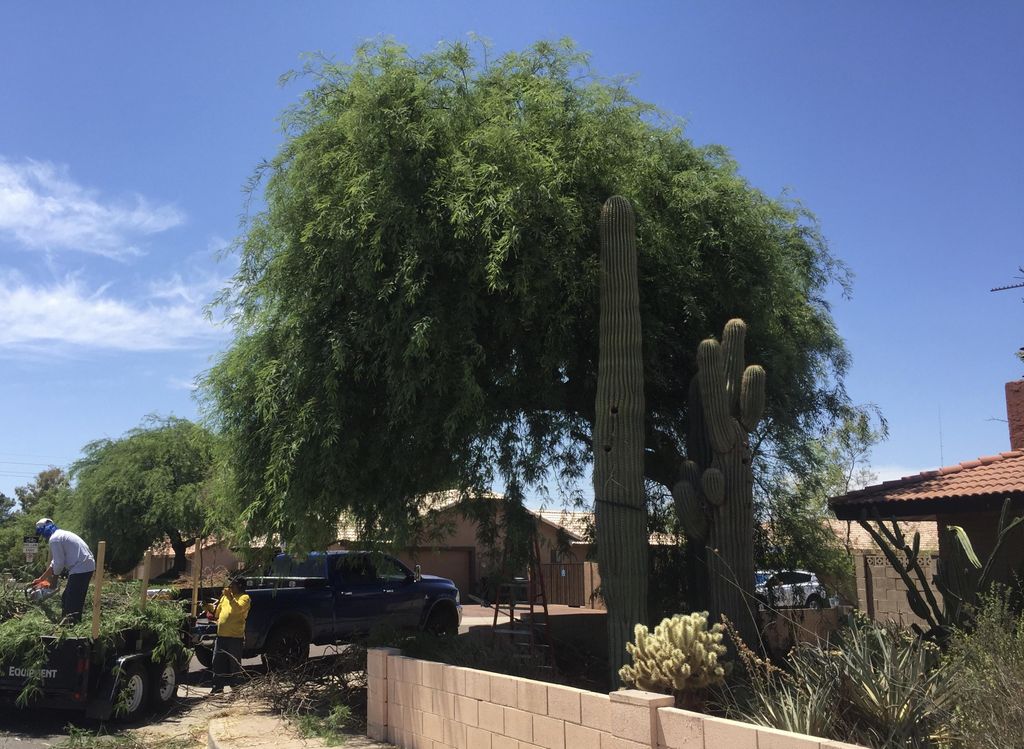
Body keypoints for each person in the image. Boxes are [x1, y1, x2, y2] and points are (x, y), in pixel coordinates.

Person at [32, 518, 96, 625]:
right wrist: (41, 579)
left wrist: (53, 582)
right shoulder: (61, 535)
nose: (43, 536)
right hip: (84, 566)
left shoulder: (55, 539)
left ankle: (71, 627)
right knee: (67, 597)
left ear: (44, 530)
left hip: (81, 567)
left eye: (41, 533)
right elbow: (54, 563)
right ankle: (69, 623)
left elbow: (59, 564)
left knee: (71, 601)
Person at [204, 576, 251, 693]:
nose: (230, 587)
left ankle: (236, 689)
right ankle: (217, 688)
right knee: (217, 663)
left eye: (233, 585)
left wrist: (230, 597)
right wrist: (209, 608)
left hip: (235, 638)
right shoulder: (225, 598)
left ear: (240, 586)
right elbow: (217, 613)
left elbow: (238, 609)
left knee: (234, 664)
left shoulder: (245, 598)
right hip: (221, 636)